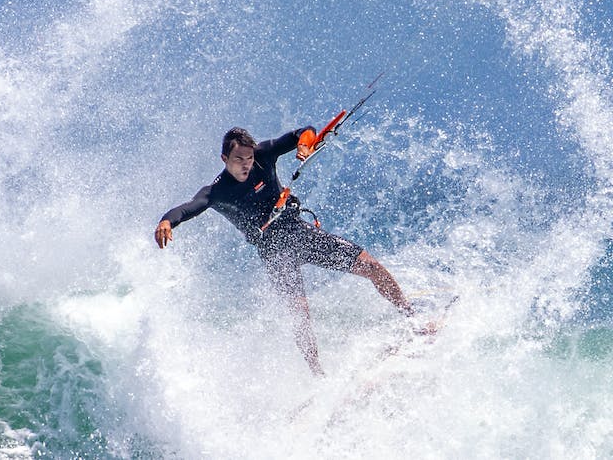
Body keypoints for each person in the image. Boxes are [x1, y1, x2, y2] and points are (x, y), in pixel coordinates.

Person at [154, 126, 418, 376]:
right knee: (300, 311)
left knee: (369, 265)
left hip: (300, 233)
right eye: (238, 159)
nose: (245, 163)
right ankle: (318, 374)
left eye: (248, 157)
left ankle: (412, 319)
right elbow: (188, 207)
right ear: (224, 158)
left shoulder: (264, 156)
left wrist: (304, 146)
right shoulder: (216, 192)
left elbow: (303, 132)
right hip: (274, 251)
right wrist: (168, 220)